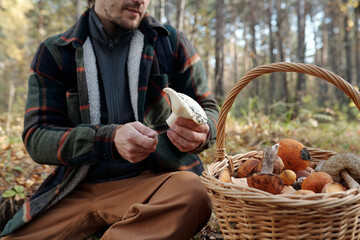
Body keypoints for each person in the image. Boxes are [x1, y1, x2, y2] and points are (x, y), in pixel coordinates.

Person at [0, 0, 219, 239]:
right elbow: (37, 136)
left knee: (193, 192)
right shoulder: (55, 52)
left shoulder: (170, 42)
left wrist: (203, 131)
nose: (140, 0)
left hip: (153, 184)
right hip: (76, 189)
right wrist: (109, 140)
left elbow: (208, 108)